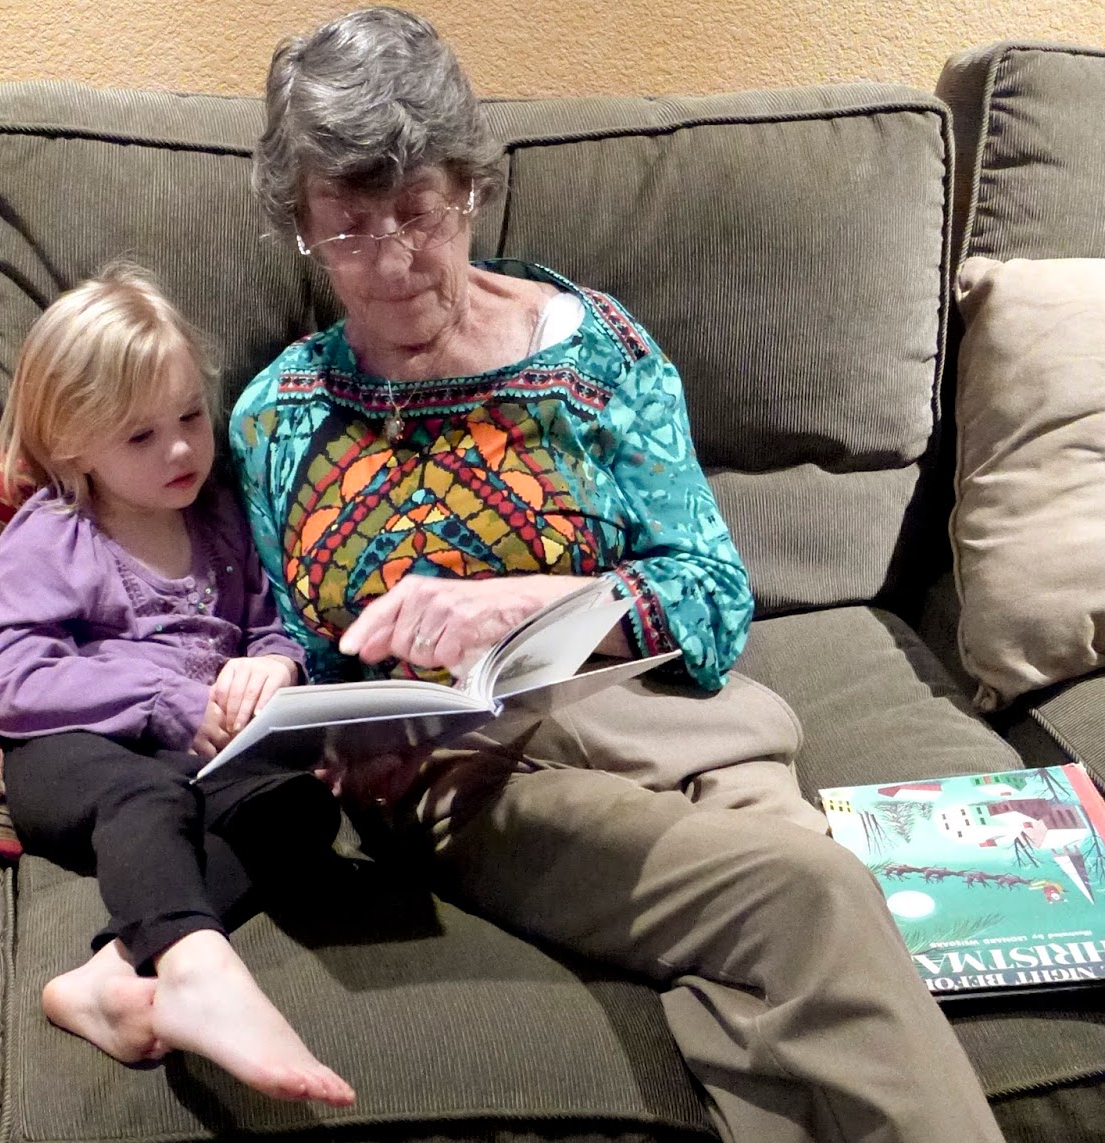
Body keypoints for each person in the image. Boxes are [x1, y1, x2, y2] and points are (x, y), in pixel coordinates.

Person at [234, 9, 1005, 1142]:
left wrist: (526, 602)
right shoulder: (280, 418)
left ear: (472, 189)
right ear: (298, 224)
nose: (393, 263)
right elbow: (302, 652)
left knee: (768, 1006)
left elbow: (713, 601)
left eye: (420, 212)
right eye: (348, 228)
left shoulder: (598, 351)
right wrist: (323, 721)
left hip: (682, 725)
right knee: (814, 893)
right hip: (483, 774)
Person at [0, 263, 355, 1107]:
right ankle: (198, 969)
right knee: (152, 795)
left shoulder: (219, 517)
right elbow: (12, 680)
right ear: (72, 444)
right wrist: (160, 700)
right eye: (140, 436)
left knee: (299, 809)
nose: (181, 448)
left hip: (199, 766)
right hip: (76, 763)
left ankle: (112, 972)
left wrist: (276, 665)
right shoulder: (54, 536)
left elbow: (266, 624)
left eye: (189, 415)